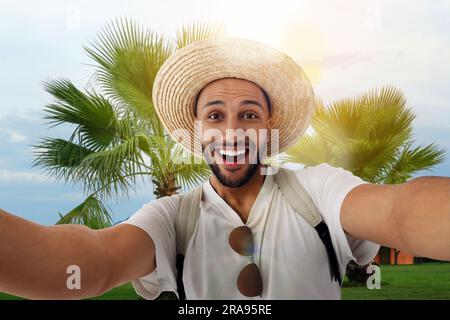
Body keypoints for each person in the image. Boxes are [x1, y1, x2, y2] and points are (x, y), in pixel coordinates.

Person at [0, 38, 448, 300]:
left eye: (249, 115)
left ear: (269, 126)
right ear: (196, 132)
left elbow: (401, 213)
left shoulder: (317, 189)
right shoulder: (171, 218)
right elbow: (88, 265)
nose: (232, 130)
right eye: (215, 115)